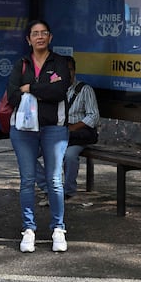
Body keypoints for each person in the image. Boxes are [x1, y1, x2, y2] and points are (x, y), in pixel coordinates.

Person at [7, 20, 71, 253]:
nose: (40, 37)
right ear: (28, 39)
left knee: (54, 180)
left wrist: (31, 88)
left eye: (44, 33)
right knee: (27, 180)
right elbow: (12, 96)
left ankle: (58, 229)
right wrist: (41, 89)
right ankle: (28, 229)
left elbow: (59, 91)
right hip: (23, 131)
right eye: (35, 33)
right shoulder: (21, 64)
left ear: (50, 37)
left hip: (54, 128)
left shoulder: (60, 62)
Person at [36, 56, 99, 202]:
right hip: (55, 133)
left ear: (74, 71)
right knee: (29, 153)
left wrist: (71, 128)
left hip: (76, 135)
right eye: (64, 70)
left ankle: (68, 191)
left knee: (70, 156)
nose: (67, 72)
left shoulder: (84, 90)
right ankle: (48, 188)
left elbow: (93, 116)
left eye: (70, 69)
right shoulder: (53, 89)